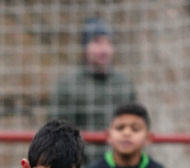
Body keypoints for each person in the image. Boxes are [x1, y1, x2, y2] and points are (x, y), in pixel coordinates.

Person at [48, 16, 137, 147]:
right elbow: (57, 135)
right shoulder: (68, 85)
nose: (104, 49)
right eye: (97, 42)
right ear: (85, 47)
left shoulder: (124, 84)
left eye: (108, 43)